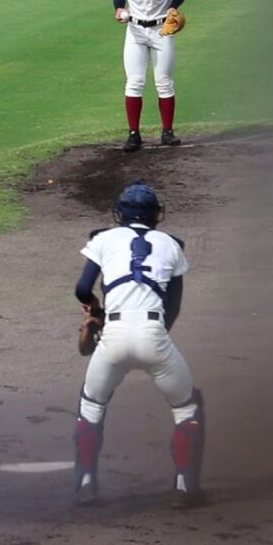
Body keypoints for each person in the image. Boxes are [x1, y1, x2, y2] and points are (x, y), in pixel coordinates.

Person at [70, 180, 204, 509]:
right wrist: (155, 339)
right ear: (156, 215)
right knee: (187, 408)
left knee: (92, 405)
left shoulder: (102, 239)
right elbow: (172, 307)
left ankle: (86, 483)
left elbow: (83, 288)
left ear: (120, 214)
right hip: (154, 334)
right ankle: (185, 487)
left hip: (113, 337)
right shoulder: (172, 245)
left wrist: (96, 310)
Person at [111, 0, 188, 152]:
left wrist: (173, 6)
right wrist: (118, 8)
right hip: (134, 30)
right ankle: (133, 135)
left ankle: (167, 132)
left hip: (162, 29)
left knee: (164, 81)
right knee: (134, 82)